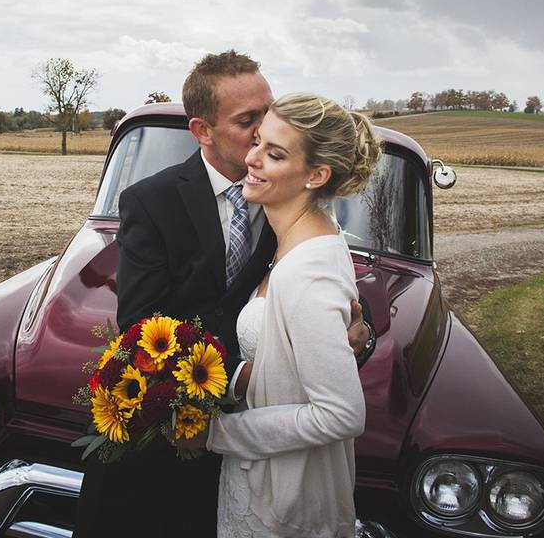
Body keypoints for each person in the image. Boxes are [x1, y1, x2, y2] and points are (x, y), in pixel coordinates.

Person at [74, 52, 372, 538]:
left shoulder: (296, 204)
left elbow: (336, 296)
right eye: (247, 121)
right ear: (202, 130)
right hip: (175, 448)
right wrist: (239, 377)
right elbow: (143, 325)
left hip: (269, 456)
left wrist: (358, 335)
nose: (262, 134)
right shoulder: (152, 201)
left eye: (268, 113)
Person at [183, 92, 382, 538]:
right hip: (263, 479)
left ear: (317, 175)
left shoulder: (309, 274)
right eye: (257, 143)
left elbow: (341, 415)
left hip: (285, 500)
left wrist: (218, 434)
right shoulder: (290, 242)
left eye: (273, 154)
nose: (251, 159)